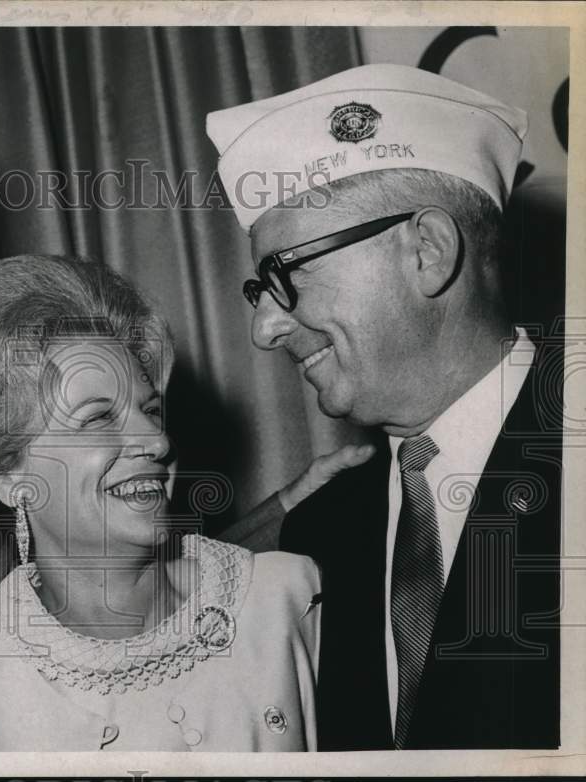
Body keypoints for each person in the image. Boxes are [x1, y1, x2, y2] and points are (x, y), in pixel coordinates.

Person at [206, 63, 562, 750]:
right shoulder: (322, 531)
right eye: (260, 291)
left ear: (427, 251)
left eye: (287, 273)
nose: (265, 328)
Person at [0, 255, 323, 751]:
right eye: (98, 418)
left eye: (151, 410)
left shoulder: (288, 599)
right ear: (6, 476)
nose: (156, 441)